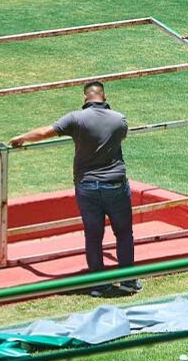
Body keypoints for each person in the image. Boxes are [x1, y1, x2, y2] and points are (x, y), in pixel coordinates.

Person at [9, 81, 141, 297]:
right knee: (124, 233)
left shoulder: (75, 119)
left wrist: (22, 138)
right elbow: (121, 137)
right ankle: (128, 281)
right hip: (116, 185)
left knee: (93, 235)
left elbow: (45, 132)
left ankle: (98, 284)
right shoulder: (119, 119)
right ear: (104, 97)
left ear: (85, 98)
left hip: (87, 186)